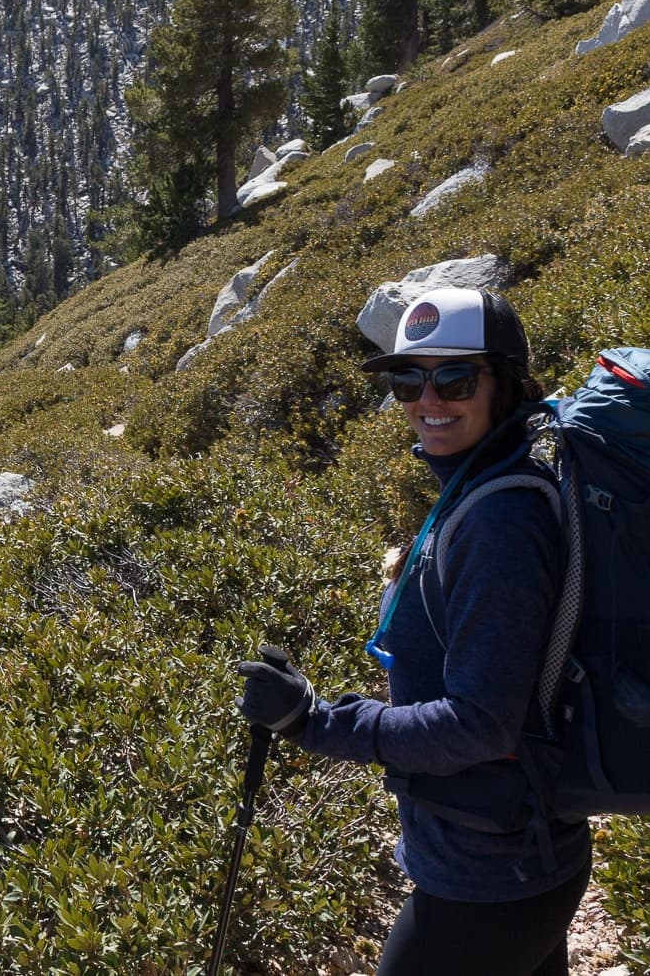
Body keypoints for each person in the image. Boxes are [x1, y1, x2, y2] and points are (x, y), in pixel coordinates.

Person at [236, 286, 591, 975]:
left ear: (507, 384)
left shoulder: (500, 524)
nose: (428, 399)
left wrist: (316, 718)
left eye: (455, 377)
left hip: (490, 872)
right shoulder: (483, 488)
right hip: (523, 852)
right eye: (407, 378)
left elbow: (479, 724)